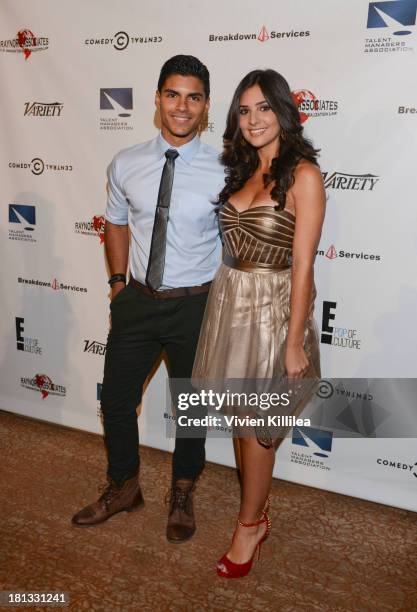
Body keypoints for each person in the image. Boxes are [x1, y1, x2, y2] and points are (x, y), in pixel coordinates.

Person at [72, 55, 224, 543]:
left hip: (196, 305)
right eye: (173, 95)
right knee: (116, 399)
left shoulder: (226, 170)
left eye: (194, 97)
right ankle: (124, 486)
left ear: (205, 106)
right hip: (137, 300)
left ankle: (182, 490)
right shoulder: (126, 162)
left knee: (192, 407)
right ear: (158, 99)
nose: (182, 107)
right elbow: (115, 222)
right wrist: (118, 283)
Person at [192, 69, 326, 577]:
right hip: (230, 302)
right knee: (239, 418)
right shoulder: (241, 170)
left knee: (258, 425)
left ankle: (249, 526)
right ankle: (255, 514)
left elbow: (304, 266)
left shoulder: (304, 175)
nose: (253, 119)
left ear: (283, 111)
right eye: (244, 111)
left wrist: (295, 342)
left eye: (263, 108)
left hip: (274, 311)